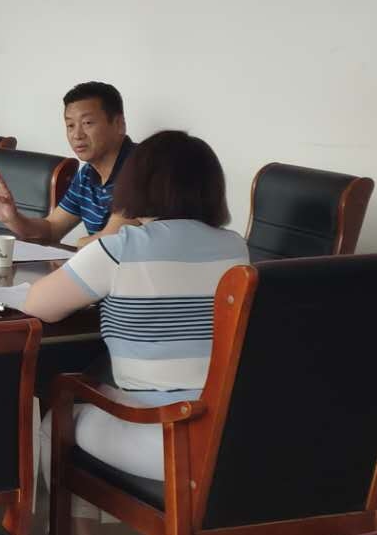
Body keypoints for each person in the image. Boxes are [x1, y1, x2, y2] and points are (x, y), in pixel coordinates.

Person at [22, 130, 248, 482]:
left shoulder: (120, 248)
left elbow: (39, 305)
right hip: (230, 434)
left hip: (164, 436)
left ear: (136, 185)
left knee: (57, 418)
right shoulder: (236, 248)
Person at [0, 81, 133, 244]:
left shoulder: (142, 168)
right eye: (70, 125)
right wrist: (13, 218)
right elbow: (51, 229)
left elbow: (112, 241)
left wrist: (81, 244)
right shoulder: (87, 174)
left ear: (119, 124)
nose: (77, 135)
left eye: (87, 123)